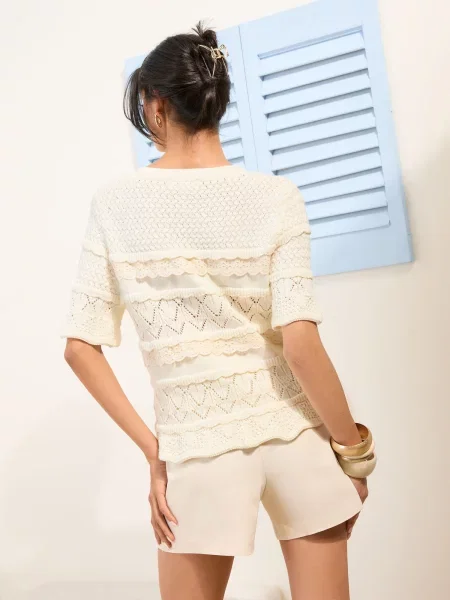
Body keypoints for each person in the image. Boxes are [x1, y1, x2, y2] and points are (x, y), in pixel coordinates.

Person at [61, 21, 376, 600]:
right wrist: (353, 454)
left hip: (198, 449)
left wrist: (156, 452)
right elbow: (301, 344)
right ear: (216, 101)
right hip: (298, 434)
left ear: (156, 106)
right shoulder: (277, 197)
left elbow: (80, 348)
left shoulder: (114, 204)